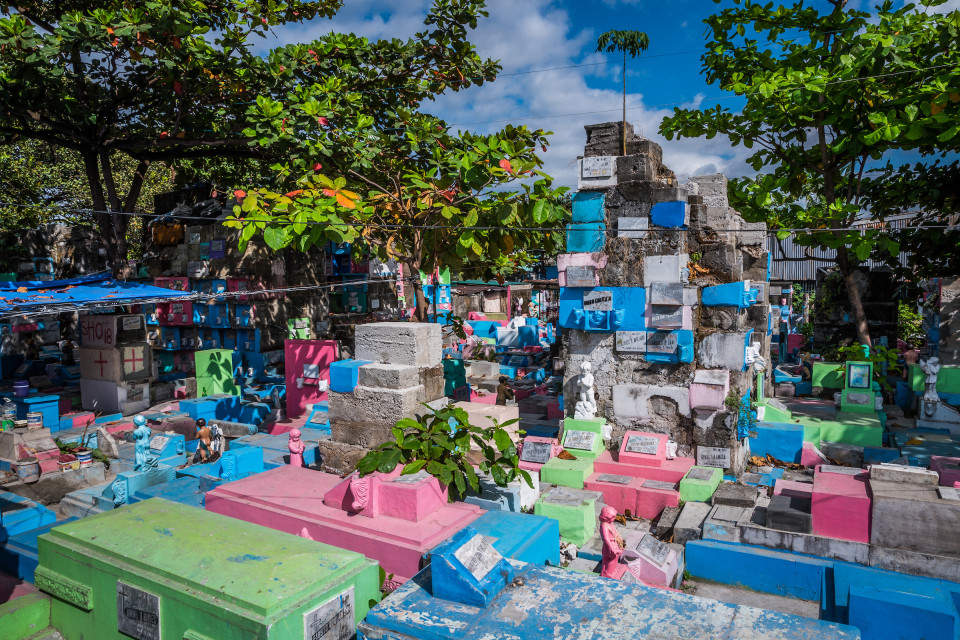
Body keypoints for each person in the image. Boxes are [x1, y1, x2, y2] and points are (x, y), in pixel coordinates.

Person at [599, 506, 625, 578]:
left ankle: (612, 571)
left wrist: (620, 539)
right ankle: (608, 573)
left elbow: (615, 532)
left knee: (615, 558)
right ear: (606, 518)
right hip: (610, 545)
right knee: (610, 560)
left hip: (615, 543)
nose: (615, 518)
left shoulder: (610, 523)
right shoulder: (604, 526)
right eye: (613, 517)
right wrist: (611, 548)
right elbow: (605, 538)